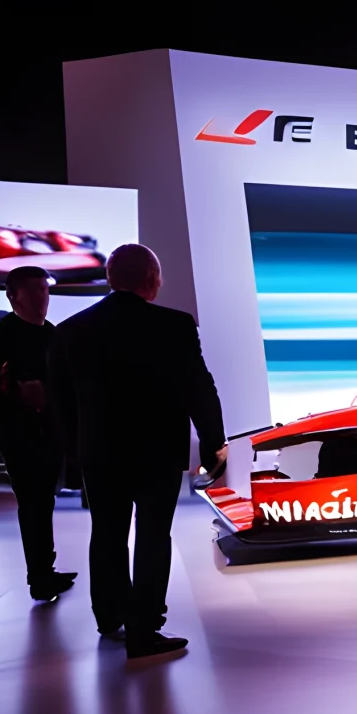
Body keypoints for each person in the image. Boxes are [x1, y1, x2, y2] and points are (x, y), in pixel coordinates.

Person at [49, 244, 226, 659]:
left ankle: (109, 616)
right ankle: (143, 629)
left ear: (110, 279)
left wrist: (71, 459)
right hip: (157, 451)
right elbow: (199, 388)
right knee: (151, 536)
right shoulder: (175, 325)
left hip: (99, 451)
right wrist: (214, 442)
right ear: (151, 280)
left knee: (107, 533)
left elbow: (62, 404)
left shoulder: (71, 330)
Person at [0, 266, 76, 601]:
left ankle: (44, 571)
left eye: (44, 289)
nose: (41, 296)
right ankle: (40, 576)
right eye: (33, 289)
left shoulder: (53, 335)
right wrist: (17, 397)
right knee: (34, 502)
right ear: (13, 296)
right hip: (20, 434)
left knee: (41, 501)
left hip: (50, 432)